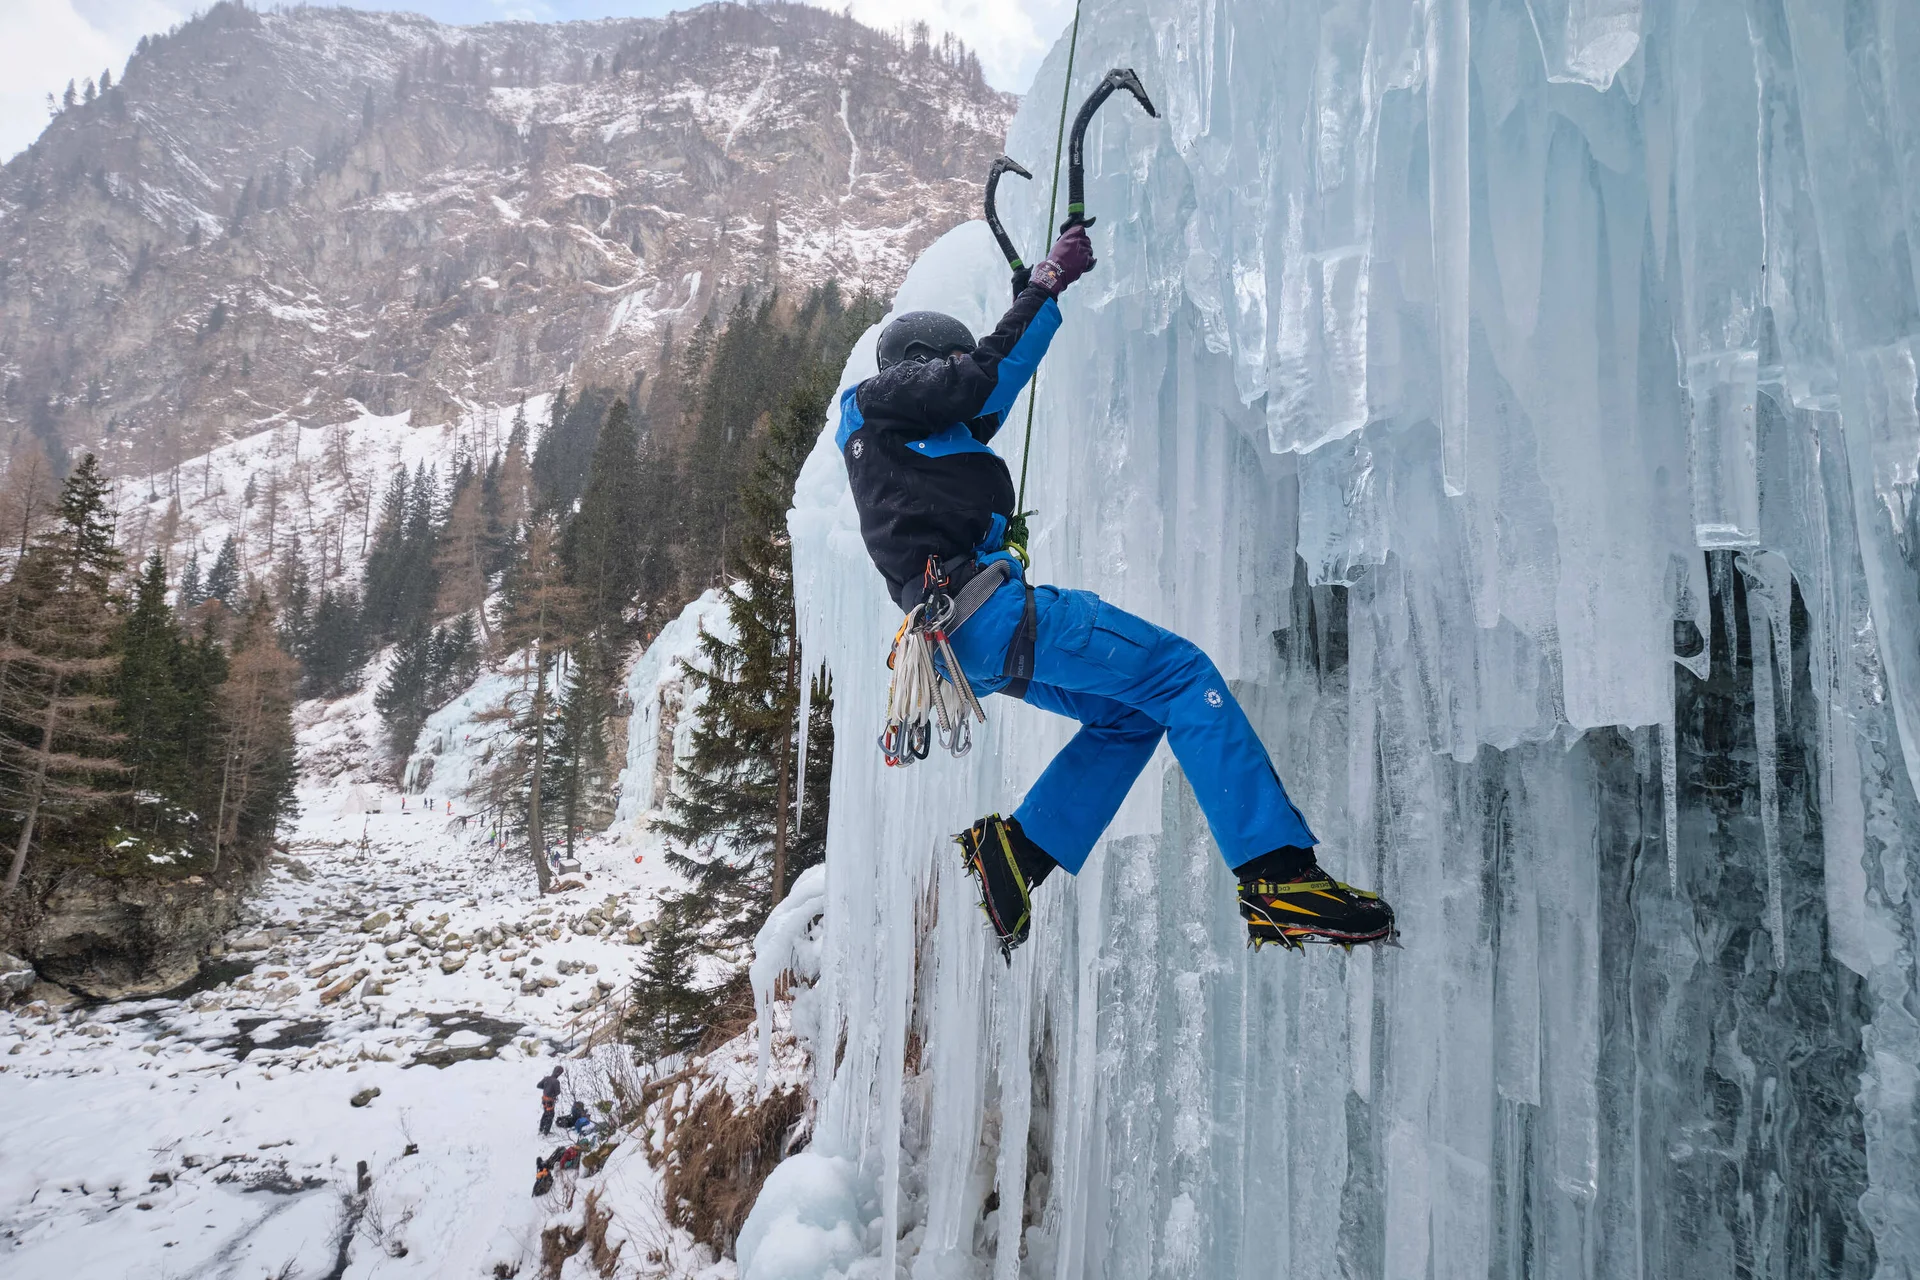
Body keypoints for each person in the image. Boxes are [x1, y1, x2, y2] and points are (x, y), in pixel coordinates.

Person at [838, 223, 1397, 956]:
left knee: (1130, 716)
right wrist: (1042, 284)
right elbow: (976, 377)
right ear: (916, 365)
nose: (953, 369)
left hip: (962, 640)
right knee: (1179, 674)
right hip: (988, 611)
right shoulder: (878, 398)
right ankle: (1276, 875)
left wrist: (1033, 307)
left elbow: (990, 390)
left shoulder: (899, 440)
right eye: (942, 361)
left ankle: (1019, 854)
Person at [537, 1065, 564, 1135]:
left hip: (544, 1099)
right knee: (550, 1115)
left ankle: (541, 1129)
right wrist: (551, 1092)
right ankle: (546, 1132)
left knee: (545, 1113)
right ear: (558, 1073)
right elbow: (558, 1092)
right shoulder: (556, 1081)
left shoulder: (546, 1078)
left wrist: (546, 1088)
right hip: (550, 1101)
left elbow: (538, 1085)